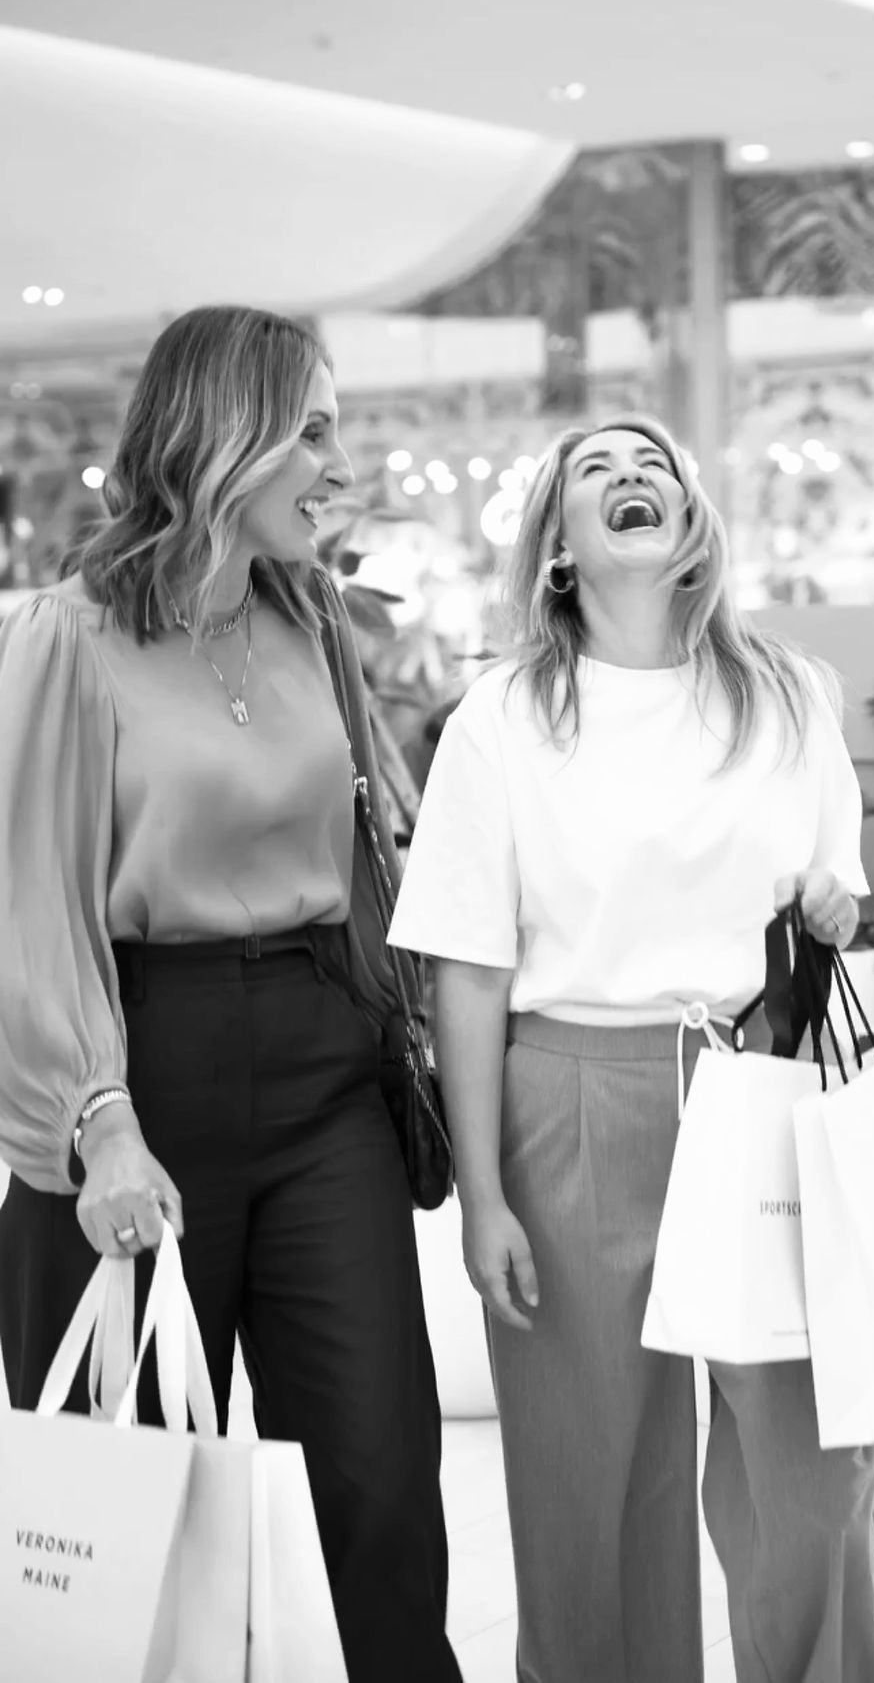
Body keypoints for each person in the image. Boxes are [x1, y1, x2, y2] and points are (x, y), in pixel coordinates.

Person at [0, 305, 462, 1683]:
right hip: (143, 1075)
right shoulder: (65, 639)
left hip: (330, 1073)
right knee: (132, 1508)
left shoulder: (310, 620)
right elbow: (30, 909)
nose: (339, 462)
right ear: (224, 438)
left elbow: (388, 836)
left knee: (377, 1480)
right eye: (313, 428)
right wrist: (98, 1118)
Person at [387, 414, 874, 1683]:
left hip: (759, 1084)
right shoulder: (500, 717)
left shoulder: (784, 693)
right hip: (572, 1096)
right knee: (587, 1482)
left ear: (689, 522)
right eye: (595, 471)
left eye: (653, 465)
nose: (630, 478)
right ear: (557, 543)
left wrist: (833, 904)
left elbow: (834, 887)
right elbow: (466, 964)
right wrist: (484, 1194)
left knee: (810, 1470)